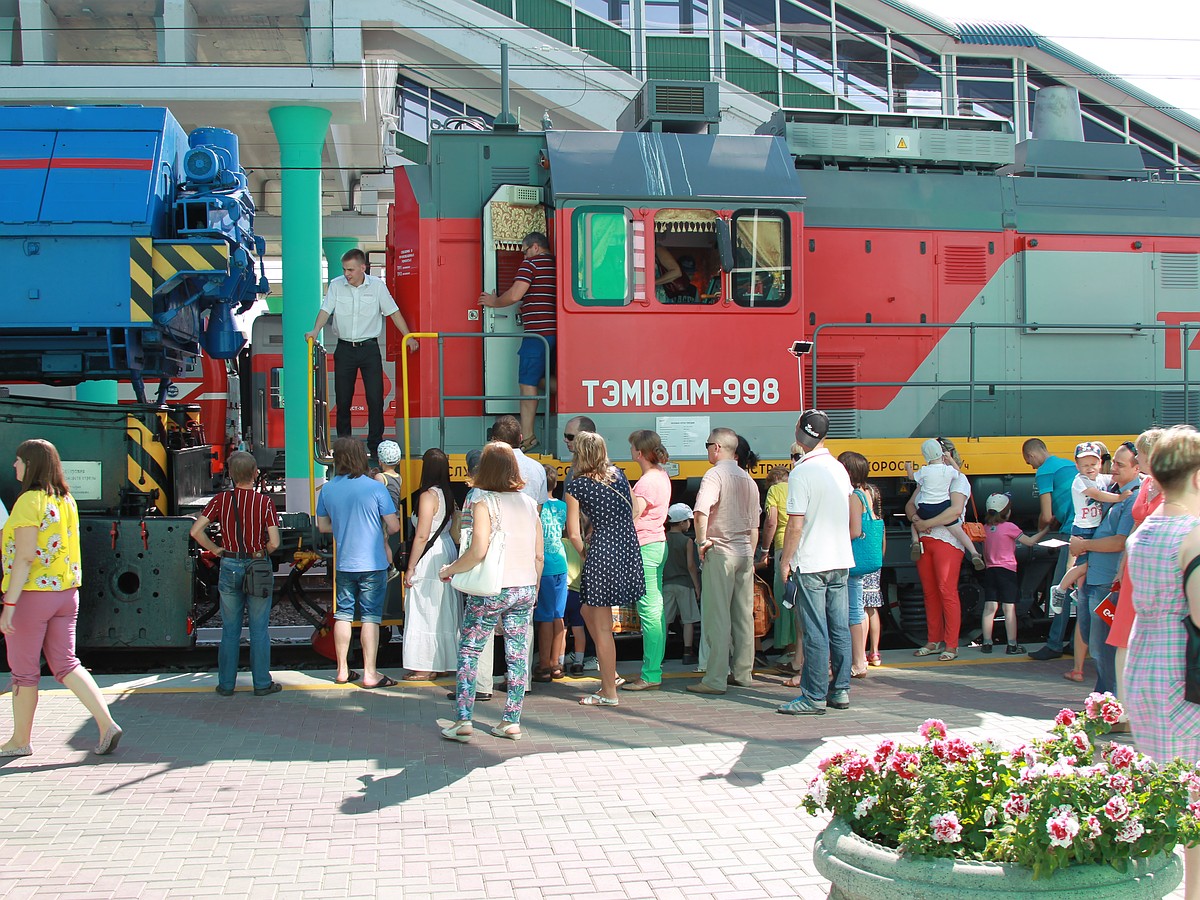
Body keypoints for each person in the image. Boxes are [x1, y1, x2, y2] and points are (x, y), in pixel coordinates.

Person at [0, 439, 122, 758]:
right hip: (66, 594)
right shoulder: (66, 499)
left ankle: (20, 741)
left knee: (24, 673)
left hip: (32, 595)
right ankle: (106, 723)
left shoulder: (29, 501)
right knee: (67, 664)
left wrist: (9, 605)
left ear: (32, 465)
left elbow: (25, 557)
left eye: (19, 460)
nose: (15, 465)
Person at [1125, 425, 1200, 898]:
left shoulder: (1145, 529)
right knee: (1193, 795)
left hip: (1146, 659)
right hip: (1184, 672)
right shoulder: (1192, 535)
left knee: (1162, 785)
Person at [438, 442, 543, 742]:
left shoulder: (484, 503)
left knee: (470, 650)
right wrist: (533, 588)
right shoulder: (528, 503)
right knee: (517, 654)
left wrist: (450, 570)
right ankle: (511, 721)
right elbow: (538, 554)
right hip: (523, 588)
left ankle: (463, 720)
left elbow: (478, 550)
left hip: (492, 590)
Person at [777, 411, 854, 716]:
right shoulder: (839, 469)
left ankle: (813, 696)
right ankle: (842, 690)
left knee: (815, 631)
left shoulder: (800, 473)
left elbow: (795, 525)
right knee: (839, 628)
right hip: (840, 558)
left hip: (812, 562)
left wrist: (785, 562)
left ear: (799, 432)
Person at [190, 451, 284, 697]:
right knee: (259, 629)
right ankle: (262, 684)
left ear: (230, 475)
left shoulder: (221, 500)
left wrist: (217, 550)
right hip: (257, 566)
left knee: (230, 630)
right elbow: (274, 542)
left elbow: (196, 530)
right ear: (255, 473)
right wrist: (261, 551)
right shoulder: (264, 503)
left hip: (230, 564)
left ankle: (226, 685)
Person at [305, 248, 416, 457]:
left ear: (362, 268)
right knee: (343, 399)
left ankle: (375, 445)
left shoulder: (377, 286)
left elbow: (393, 311)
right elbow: (325, 310)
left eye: (351, 270)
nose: (347, 274)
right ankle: (344, 446)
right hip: (345, 349)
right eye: (345, 269)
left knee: (375, 398)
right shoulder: (337, 285)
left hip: (369, 349)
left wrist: (408, 337)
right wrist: (315, 331)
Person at [565, 431, 644, 707]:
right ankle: (610, 678)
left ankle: (609, 690)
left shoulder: (578, 486)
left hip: (601, 552)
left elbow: (573, 534)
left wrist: (588, 553)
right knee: (589, 612)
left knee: (602, 630)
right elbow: (635, 508)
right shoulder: (619, 475)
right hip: (625, 548)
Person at [316, 437, 401, 689]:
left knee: (342, 614)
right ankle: (370, 673)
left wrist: (343, 526)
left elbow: (322, 526)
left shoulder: (328, 488)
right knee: (370, 618)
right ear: (362, 457)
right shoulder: (375, 488)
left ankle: (342, 670)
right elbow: (394, 526)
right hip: (373, 563)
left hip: (345, 564)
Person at [687, 428, 760, 696]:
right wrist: (750, 554)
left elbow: (700, 511)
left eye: (708, 445)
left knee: (718, 618)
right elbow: (755, 525)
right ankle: (743, 673)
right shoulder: (748, 479)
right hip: (743, 553)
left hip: (720, 552)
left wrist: (701, 541)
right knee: (743, 617)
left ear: (717, 447)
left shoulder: (714, 475)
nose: (707, 450)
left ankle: (715, 679)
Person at [1069, 440, 1141, 696]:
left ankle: (1109, 700)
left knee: (1103, 646)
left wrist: (1084, 544)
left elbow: (1121, 542)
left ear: (1137, 467)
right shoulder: (1112, 489)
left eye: (1120, 465)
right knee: (1093, 639)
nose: (1113, 470)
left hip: (1107, 583)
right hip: (1094, 577)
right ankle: (1103, 699)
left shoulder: (1132, 498)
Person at [479, 233, 556, 450]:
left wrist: (494, 302)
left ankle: (529, 435)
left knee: (527, 383)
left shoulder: (531, 264)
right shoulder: (556, 264)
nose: (522, 256)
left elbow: (515, 295)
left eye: (524, 251)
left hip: (537, 334)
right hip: (554, 333)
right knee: (542, 380)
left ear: (534, 247)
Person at [1107, 430, 1165, 705]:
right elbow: (1136, 525)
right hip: (1134, 566)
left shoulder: (1174, 486)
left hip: (1156, 568)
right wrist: (1122, 562)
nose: (1137, 458)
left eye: (1139, 454)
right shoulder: (1146, 484)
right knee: (1123, 636)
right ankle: (1125, 706)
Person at [908, 437, 972, 662]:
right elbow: (910, 505)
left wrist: (924, 524)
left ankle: (951, 644)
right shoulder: (929, 479)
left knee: (946, 590)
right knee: (930, 592)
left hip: (947, 541)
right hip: (928, 541)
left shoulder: (959, 480)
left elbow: (955, 511)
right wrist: (916, 517)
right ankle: (934, 640)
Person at [403, 448, 461, 680]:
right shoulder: (447, 493)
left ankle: (425, 665)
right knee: (443, 607)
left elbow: (421, 535)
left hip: (430, 556)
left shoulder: (427, 496)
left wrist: (410, 567)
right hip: (446, 549)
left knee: (425, 607)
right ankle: (444, 661)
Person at [1024, 438, 1082, 662]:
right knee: (1084, 591)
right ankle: (1078, 641)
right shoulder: (1068, 465)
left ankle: (1055, 644)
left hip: (1071, 533)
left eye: (1028, 461)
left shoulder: (1044, 472)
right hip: (1087, 529)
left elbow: (1047, 515)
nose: (1030, 466)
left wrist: (1042, 530)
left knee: (1061, 589)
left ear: (1032, 455)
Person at [623, 430, 672, 692]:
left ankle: (651, 673)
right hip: (658, 544)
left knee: (649, 612)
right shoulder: (661, 476)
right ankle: (653, 668)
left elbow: (634, 514)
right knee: (657, 609)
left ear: (639, 453)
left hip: (645, 547)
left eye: (632, 447)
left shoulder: (645, 483)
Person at [1054, 441, 1132, 602]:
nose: (1089, 468)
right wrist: (1119, 498)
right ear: (1077, 466)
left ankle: (1078, 588)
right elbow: (1097, 495)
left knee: (1090, 562)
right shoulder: (1080, 481)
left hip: (1094, 527)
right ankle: (1060, 589)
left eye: (1093, 464)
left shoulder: (1100, 478)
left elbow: (1115, 479)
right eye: (1084, 465)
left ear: (1100, 463)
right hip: (1083, 529)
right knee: (1083, 564)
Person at [976, 493, 1047, 655]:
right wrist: (1046, 530)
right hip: (1007, 572)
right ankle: (1012, 645)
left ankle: (987, 643)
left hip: (990, 571)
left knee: (989, 608)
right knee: (1009, 609)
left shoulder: (986, 529)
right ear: (1006, 512)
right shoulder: (1010, 527)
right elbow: (1029, 542)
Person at [905, 438, 984, 570]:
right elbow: (958, 472)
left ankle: (914, 542)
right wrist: (951, 460)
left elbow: (911, 477)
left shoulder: (925, 472)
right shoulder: (948, 472)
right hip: (941, 507)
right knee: (958, 531)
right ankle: (974, 553)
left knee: (914, 525)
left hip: (927, 511)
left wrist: (922, 523)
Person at [839, 451, 884, 677]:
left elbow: (855, 531)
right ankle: (859, 661)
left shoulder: (854, 496)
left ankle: (857, 662)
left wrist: (833, 541)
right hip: (865, 560)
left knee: (852, 611)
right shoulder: (869, 492)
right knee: (856, 609)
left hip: (853, 560)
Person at [759, 456, 800, 669]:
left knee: (785, 598)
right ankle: (798, 649)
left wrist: (764, 550)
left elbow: (771, 522)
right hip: (801, 546)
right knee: (798, 597)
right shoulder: (798, 486)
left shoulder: (775, 491)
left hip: (784, 545)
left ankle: (789, 648)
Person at [533, 464, 569, 682]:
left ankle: (544, 664)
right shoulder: (563, 506)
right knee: (558, 615)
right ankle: (556, 663)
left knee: (544, 617)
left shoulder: (538, 508)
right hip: (561, 563)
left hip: (544, 565)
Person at [662, 503, 702, 666]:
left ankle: (660, 653)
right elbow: (691, 566)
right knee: (688, 620)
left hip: (666, 584)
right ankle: (687, 653)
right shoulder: (687, 541)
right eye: (688, 521)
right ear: (681, 522)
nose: (690, 524)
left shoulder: (662, 539)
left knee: (664, 621)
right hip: (685, 584)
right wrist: (697, 587)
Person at [492, 415, 548, 508]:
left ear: (494, 440)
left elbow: (477, 501)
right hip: (529, 521)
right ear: (521, 438)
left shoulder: (486, 468)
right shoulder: (538, 468)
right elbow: (539, 505)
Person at [373, 440, 404, 579]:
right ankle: (389, 566)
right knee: (384, 541)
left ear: (380, 461)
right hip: (394, 514)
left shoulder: (380, 477)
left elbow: (374, 495)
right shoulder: (399, 477)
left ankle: (389, 567)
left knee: (383, 542)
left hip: (383, 516)